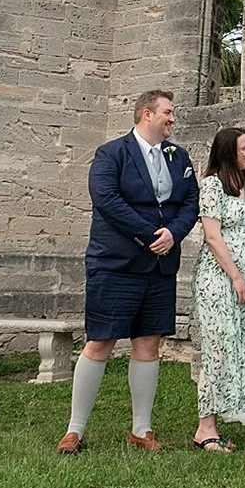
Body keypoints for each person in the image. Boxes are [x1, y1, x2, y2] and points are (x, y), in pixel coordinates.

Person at [61, 88, 200, 454]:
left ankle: (142, 429)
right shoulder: (112, 153)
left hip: (159, 266)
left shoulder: (179, 156)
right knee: (101, 341)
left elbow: (190, 202)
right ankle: (75, 429)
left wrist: (173, 234)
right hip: (116, 264)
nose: (172, 118)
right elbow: (106, 200)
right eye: (167, 112)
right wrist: (150, 234)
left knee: (149, 343)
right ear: (146, 114)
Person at [191, 126, 245, 452]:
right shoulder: (211, 186)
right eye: (243, 148)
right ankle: (205, 428)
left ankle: (223, 414)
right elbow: (212, 236)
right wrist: (236, 276)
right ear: (228, 152)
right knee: (217, 348)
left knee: (239, 345)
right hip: (218, 277)